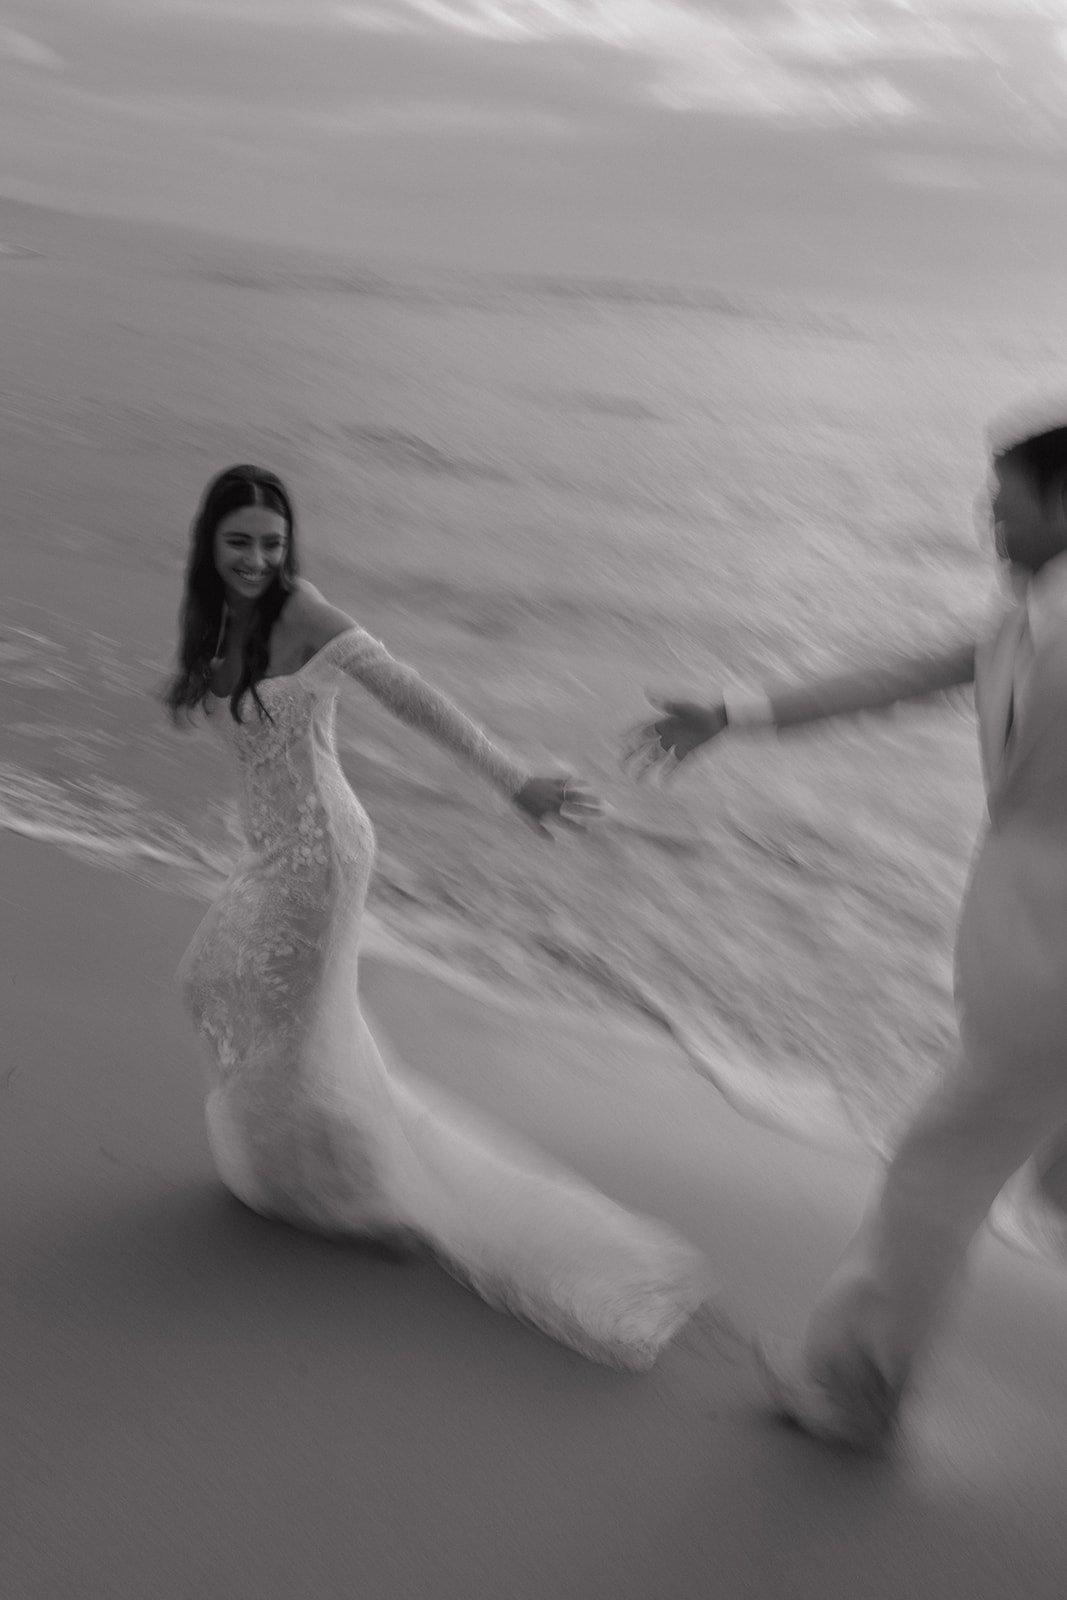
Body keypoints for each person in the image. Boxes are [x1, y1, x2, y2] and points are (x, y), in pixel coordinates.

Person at [166, 463, 710, 1369]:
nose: (259, 557)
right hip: (273, 852)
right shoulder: (213, 617)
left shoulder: (303, 613)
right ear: (209, 544)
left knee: (266, 1010)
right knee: (223, 991)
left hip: (323, 854)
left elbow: (410, 695)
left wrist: (513, 780)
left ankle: (357, 1198)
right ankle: (317, 1172)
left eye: (272, 542)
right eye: (240, 542)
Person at [622, 397, 1067, 1445]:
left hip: (1048, 964)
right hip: (1019, 942)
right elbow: (896, 677)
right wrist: (732, 714)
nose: (982, 520)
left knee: (934, 1168)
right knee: (1007, 1171)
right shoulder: (1020, 621)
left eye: (1003, 505)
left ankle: (854, 1388)